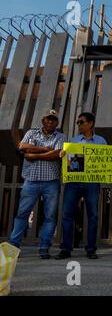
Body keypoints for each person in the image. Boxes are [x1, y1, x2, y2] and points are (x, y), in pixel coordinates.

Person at [8, 110, 65, 259]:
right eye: (48, 119)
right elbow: (23, 149)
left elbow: (57, 154)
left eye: (53, 120)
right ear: (43, 120)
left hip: (51, 182)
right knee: (22, 213)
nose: (50, 122)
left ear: (57, 123)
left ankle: (44, 247)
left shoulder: (60, 136)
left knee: (50, 216)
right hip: (30, 181)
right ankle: (14, 246)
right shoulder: (31, 133)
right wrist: (45, 149)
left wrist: (34, 154)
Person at [55, 112, 107, 260]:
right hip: (73, 183)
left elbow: (106, 161)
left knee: (93, 216)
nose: (78, 125)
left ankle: (91, 249)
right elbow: (69, 162)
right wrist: (63, 155)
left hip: (92, 183)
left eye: (81, 122)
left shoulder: (101, 141)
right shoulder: (73, 141)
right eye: (78, 122)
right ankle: (66, 248)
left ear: (90, 123)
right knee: (67, 215)